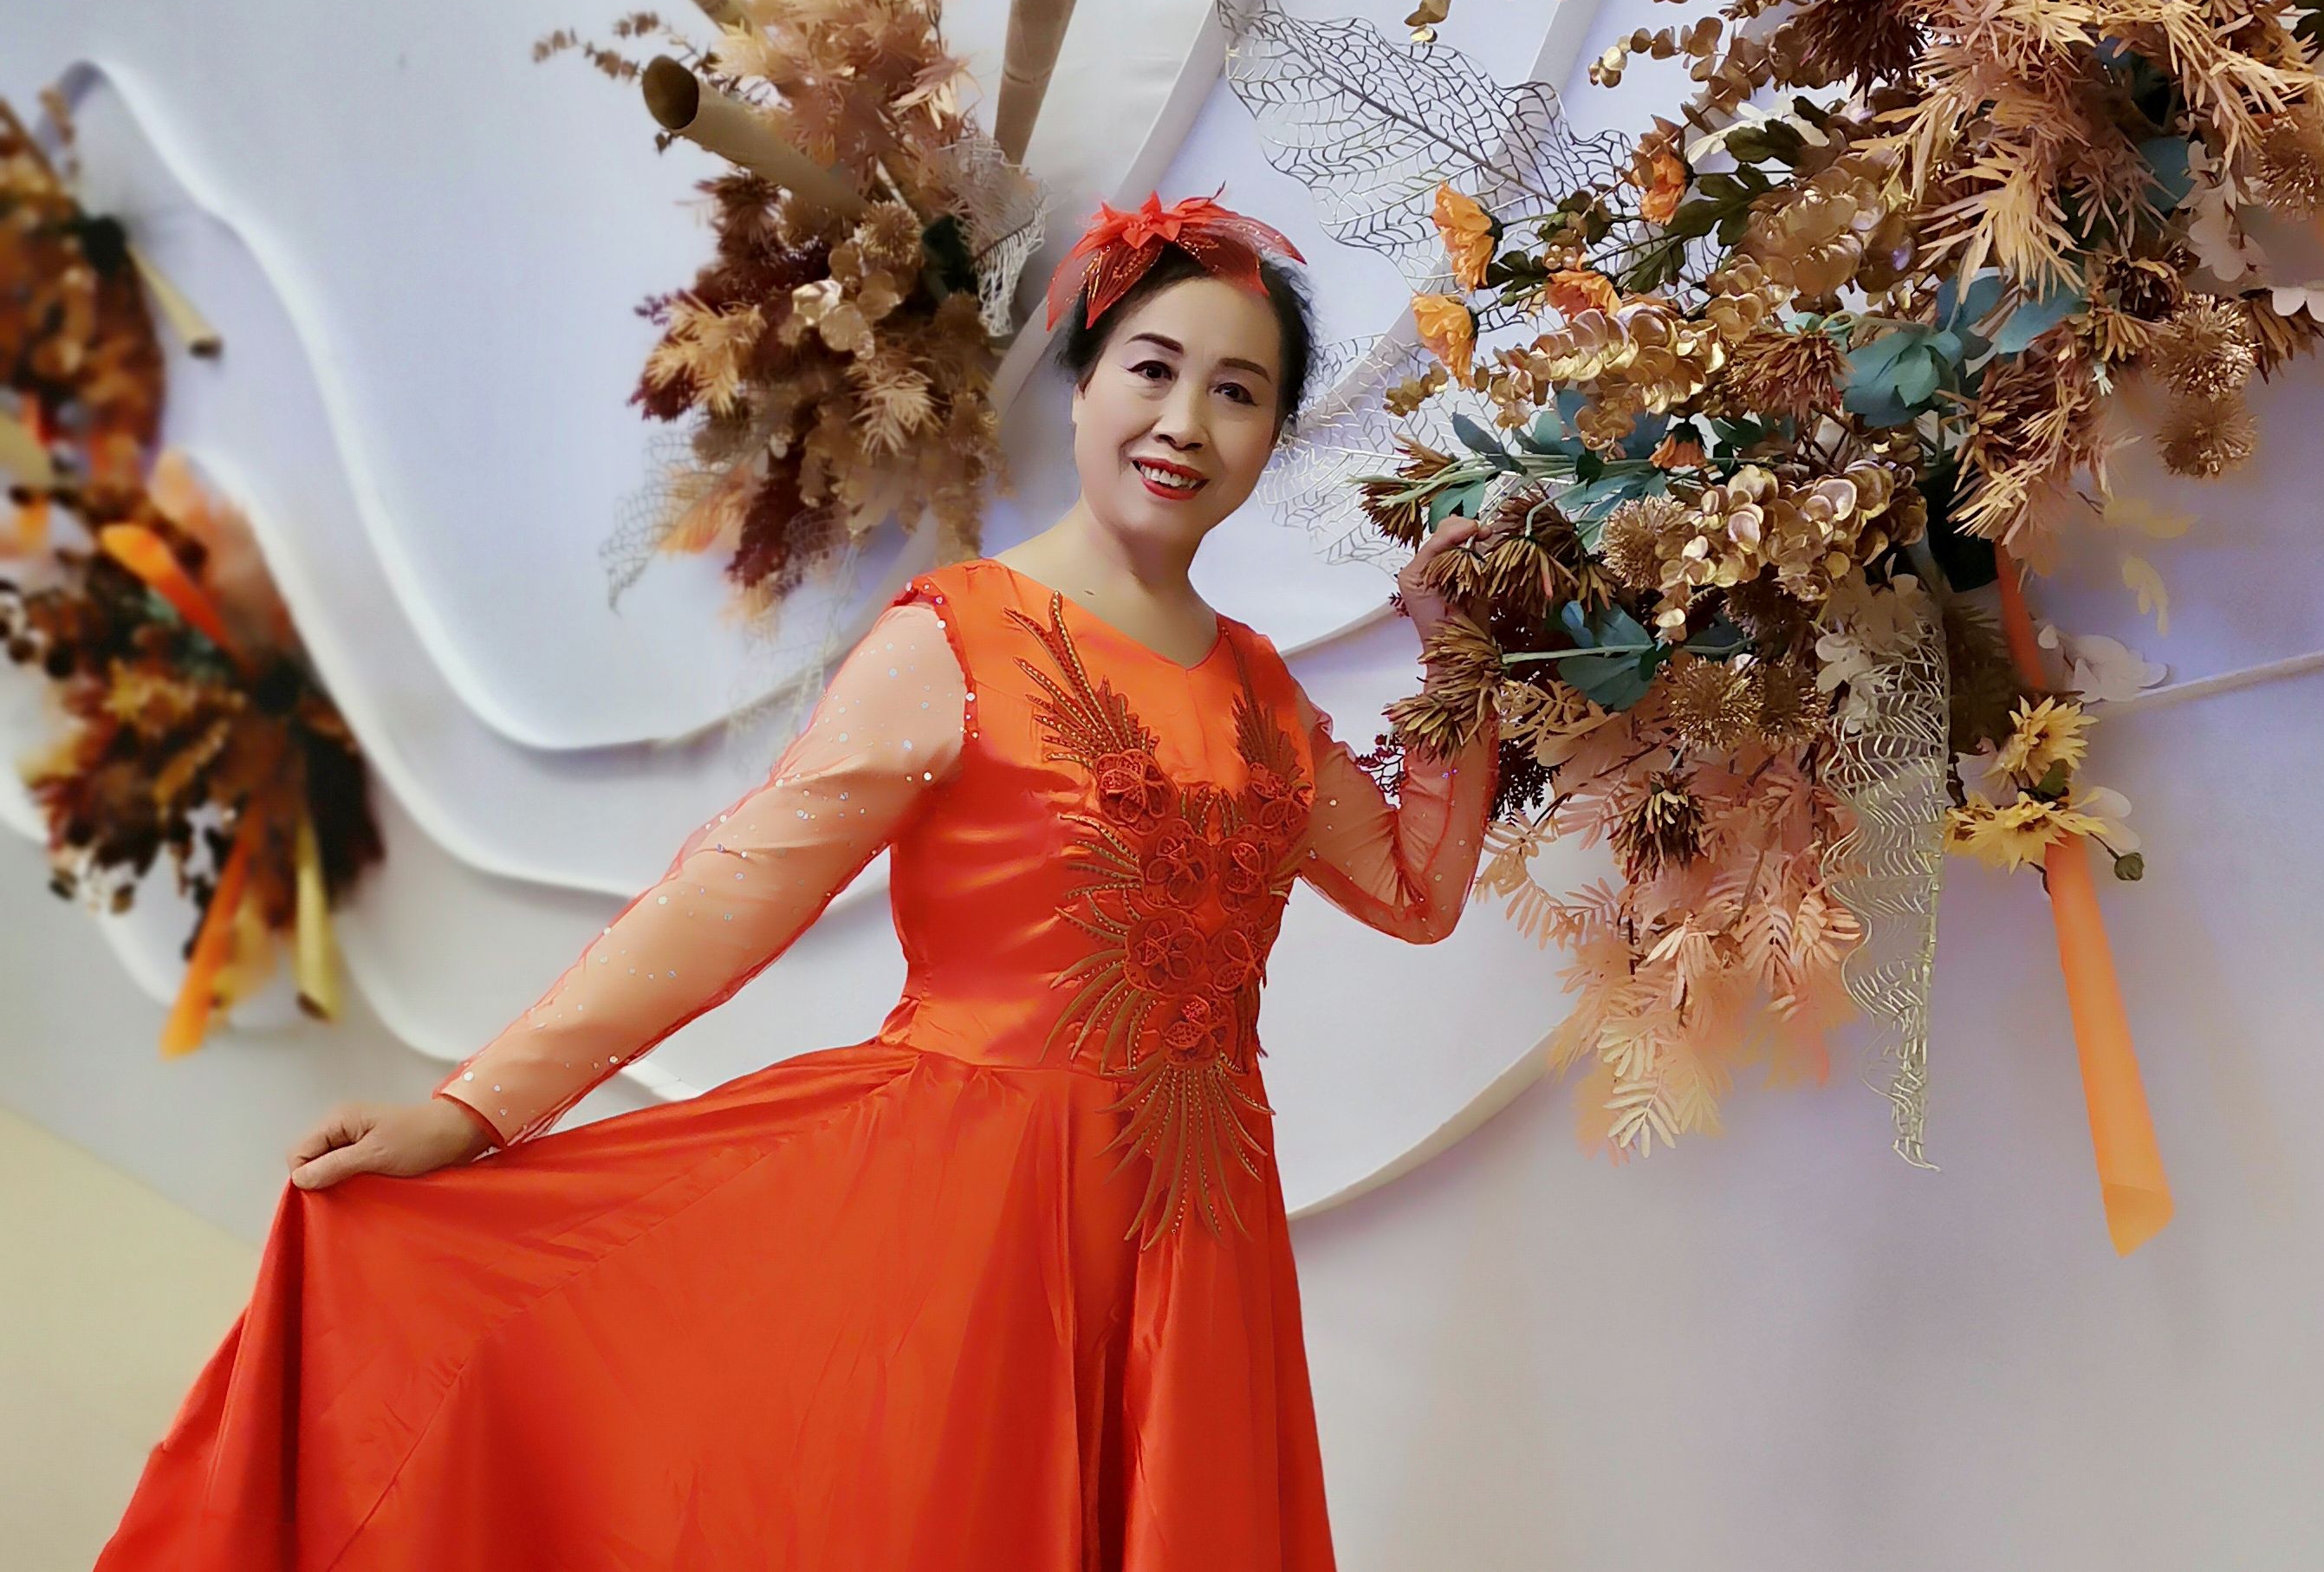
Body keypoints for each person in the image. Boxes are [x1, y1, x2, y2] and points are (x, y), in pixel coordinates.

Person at [94, 191, 1498, 1571]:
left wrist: (1464, 661)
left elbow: (1416, 893)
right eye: (1152, 368)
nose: (1184, 421)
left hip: (1200, 1249)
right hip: (968, 1236)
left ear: (1270, 436)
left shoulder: (1262, 695)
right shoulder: (959, 640)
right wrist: (472, 1110)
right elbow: (733, 892)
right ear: (1080, 385)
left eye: (1237, 392)